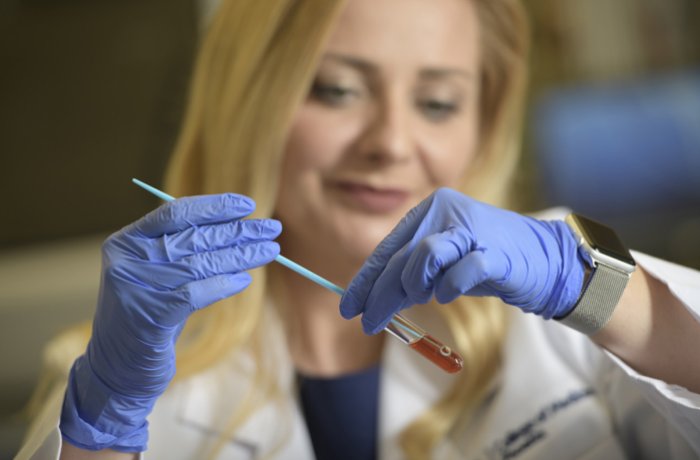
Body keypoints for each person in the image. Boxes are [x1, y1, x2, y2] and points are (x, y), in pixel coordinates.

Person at [16, 0, 700, 458]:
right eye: (338, 89)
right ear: (249, 102)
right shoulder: (117, 376)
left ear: (484, 124)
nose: (392, 143)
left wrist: (605, 296)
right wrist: (102, 431)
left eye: (437, 102)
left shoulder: (566, 315)